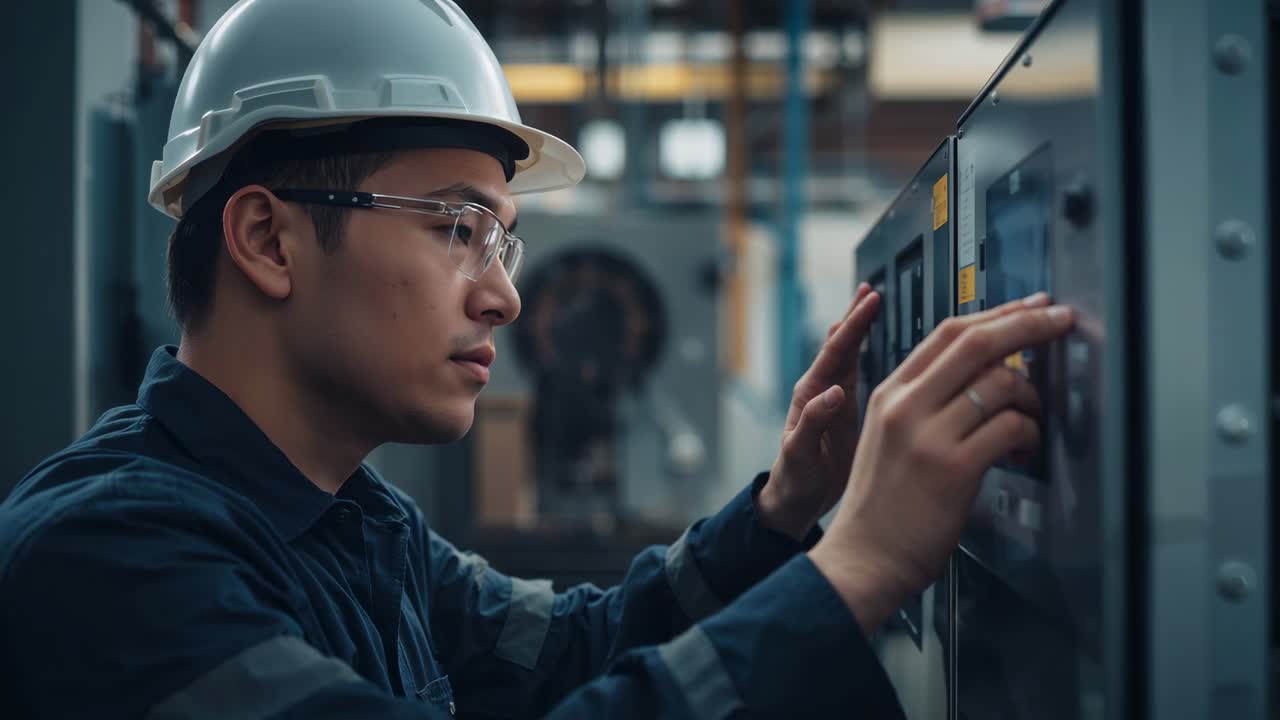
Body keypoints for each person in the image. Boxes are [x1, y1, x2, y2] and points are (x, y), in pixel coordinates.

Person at [0, 0, 1074, 717]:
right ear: (267, 240)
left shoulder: (354, 523)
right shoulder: (110, 561)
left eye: (500, 240)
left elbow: (574, 648)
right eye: (454, 227)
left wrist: (787, 508)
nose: (504, 294)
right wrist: (858, 572)